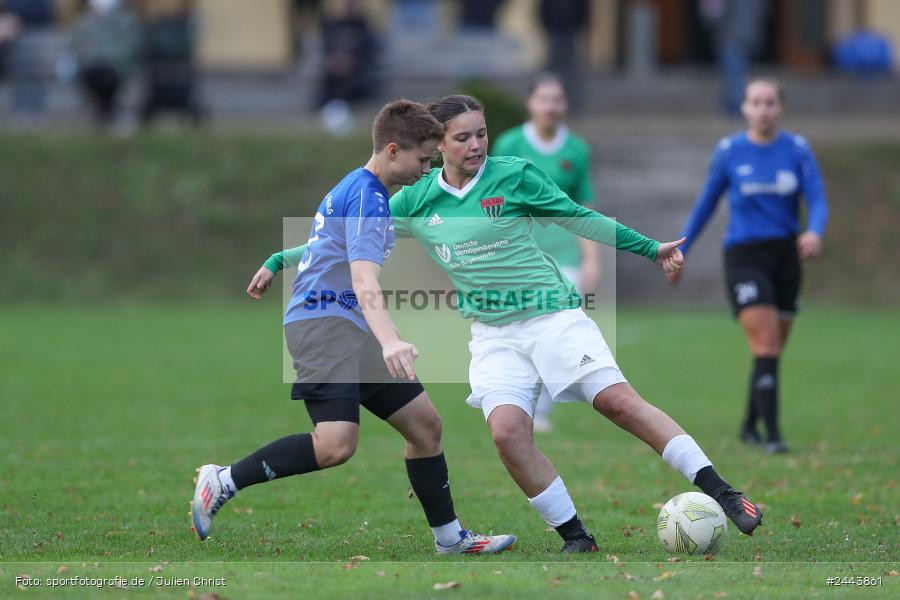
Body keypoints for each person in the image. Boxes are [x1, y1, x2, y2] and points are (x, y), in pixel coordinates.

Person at [252, 95, 763, 553]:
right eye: (463, 137)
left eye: (482, 133)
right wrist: (280, 258)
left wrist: (651, 248)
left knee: (618, 403)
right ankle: (576, 537)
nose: (476, 145)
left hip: (552, 317)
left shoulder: (513, 175)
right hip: (493, 334)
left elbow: (575, 215)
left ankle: (723, 492)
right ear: (437, 144)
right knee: (507, 434)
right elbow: (343, 238)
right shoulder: (417, 196)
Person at [192, 99, 516, 556]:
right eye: (422, 159)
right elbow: (364, 277)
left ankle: (450, 539)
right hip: (323, 325)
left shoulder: (365, 189)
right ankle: (221, 481)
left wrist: (277, 261)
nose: (427, 169)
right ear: (391, 149)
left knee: (425, 427)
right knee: (335, 446)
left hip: (347, 322)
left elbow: (326, 246)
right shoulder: (367, 195)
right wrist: (389, 340)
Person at [670, 78, 828, 454]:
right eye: (755, 102)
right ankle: (773, 436)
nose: (763, 109)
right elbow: (706, 203)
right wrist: (682, 250)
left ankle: (747, 425)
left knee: (771, 350)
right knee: (766, 342)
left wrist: (815, 232)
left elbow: (818, 200)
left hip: (786, 257)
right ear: (744, 108)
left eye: (770, 102)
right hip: (744, 256)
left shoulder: (797, 149)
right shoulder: (730, 151)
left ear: (780, 108)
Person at [492, 71, 599, 433]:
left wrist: (591, 258)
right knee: (520, 331)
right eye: (543, 99)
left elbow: (584, 206)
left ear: (565, 104)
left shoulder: (577, 149)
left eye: (557, 99)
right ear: (530, 103)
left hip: (564, 253)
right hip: (520, 252)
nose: (550, 106)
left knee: (556, 333)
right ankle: (518, 402)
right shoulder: (509, 144)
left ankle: (541, 412)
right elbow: (494, 201)